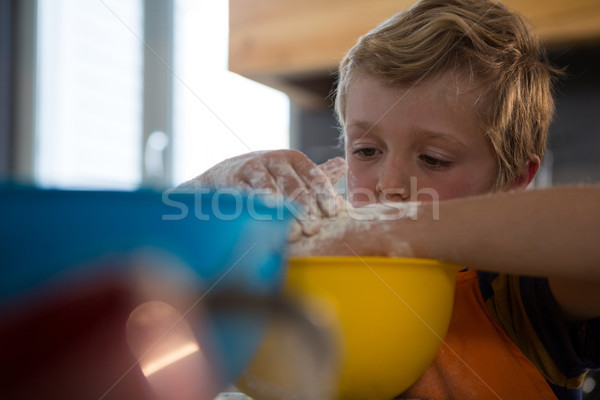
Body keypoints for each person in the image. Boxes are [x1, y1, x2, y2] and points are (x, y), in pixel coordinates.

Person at [181, 0, 600, 398]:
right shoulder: (305, 271)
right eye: (366, 151)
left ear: (514, 178)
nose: (390, 183)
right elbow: (144, 269)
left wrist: (389, 231)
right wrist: (213, 186)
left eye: (434, 159)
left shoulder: (525, 296)